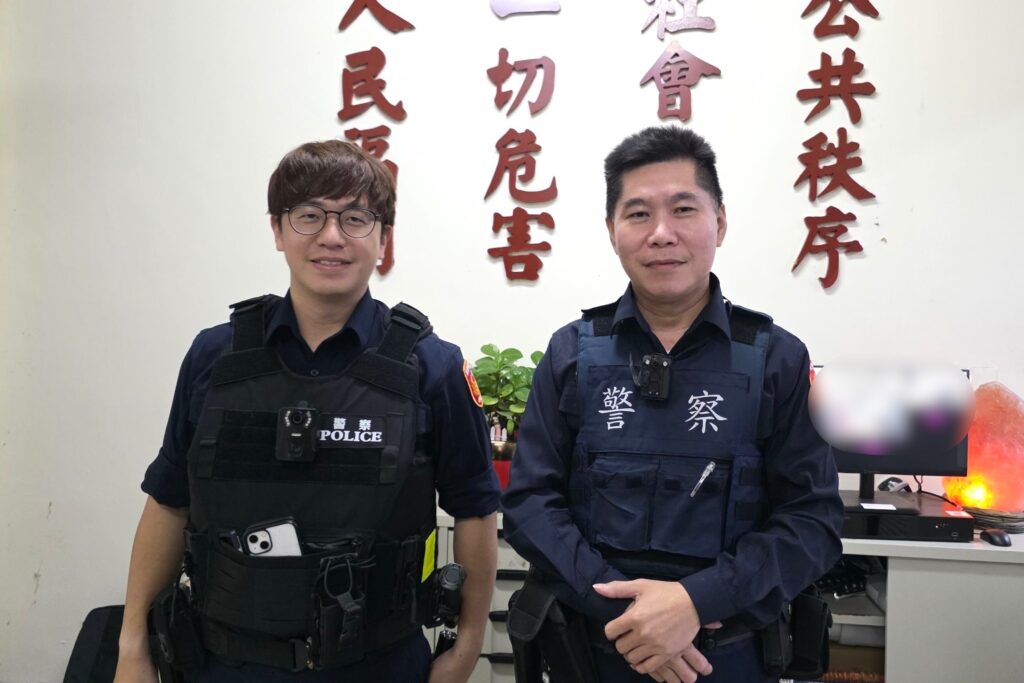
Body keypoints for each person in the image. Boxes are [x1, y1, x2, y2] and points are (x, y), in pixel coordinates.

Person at [113, 140, 500, 683]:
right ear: (277, 230)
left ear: (384, 238)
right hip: (224, 664)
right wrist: (132, 645)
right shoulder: (214, 357)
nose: (332, 236)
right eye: (309, 215)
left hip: (379, 666)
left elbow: (475, 510)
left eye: (355, 218)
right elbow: (169, 501)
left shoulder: (432, 367)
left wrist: (467, 648)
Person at [501, 126, 844, 683]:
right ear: (611, 231)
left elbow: (813, 521)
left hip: (726, 659)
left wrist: (695, 602)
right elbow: (529, 504)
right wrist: (633, 616)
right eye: (638, 214)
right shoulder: (570, 353)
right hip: (594, 655)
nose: (662, 234)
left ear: (720, 222)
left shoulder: (777, 359)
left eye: (684, 209)